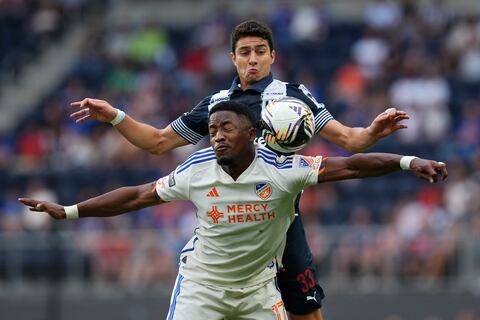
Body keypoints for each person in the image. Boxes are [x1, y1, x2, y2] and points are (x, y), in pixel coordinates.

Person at [68, 20, 410, 319]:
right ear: (233, 58)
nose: (252, 59)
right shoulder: (218, 105)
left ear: (273, 56)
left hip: (280, 220)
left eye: (260, 51)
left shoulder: (294, 97)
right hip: (229, 221)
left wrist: (371, 132)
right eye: (244, 52)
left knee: (305, 309)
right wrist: (115, 116)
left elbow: (349, 140)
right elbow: (158, 141)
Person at [21, 102, 446, 319]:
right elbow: (137, 196)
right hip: (201, 287)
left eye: (226, 128)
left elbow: (353, 164)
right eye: (211, 130)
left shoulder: (284, 170)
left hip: (259, 291)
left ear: (253, 133)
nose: (216, 136)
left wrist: (409, 162)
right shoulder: (196, 169)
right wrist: (70, 211)